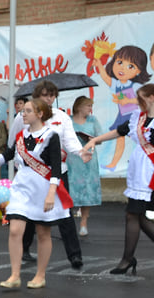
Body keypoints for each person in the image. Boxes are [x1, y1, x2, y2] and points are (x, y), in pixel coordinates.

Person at [0, 98, 68, 289]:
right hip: (22, 186)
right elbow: (9, 153)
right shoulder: (21, 135)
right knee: (14, 230)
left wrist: (51, 194)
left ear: (40, 114)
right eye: (23, 111)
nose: (23, 114)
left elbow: (56, 168)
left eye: (28, 111)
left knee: (43, 232)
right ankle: (15, 275)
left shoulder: (51, 136)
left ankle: (40, 275)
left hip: (43, 187)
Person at [82, 84, 154, 276]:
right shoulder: (139, 117)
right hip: (139, 171)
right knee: (137, 215)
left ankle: (127, 259)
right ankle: (127, 259)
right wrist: (95, 140)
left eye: (141, 98)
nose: (137, 101)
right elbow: (120, 131)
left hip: (152, 171)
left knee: (133, 214)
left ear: (151, 98)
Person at [8, 81, 88, 268]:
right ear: (37, 96)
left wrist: (80, 152)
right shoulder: (24, 115)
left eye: (52, 95)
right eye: (45, 95)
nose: (49, 98)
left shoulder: (61, 117)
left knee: (65, 214)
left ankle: (74, 255)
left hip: (56, 173)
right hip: (31, 173)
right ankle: (25, 248)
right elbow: (14, 141)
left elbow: (70, 141)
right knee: (27, 212)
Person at [93, 45, 150, 170]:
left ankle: (144, 159)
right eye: (119, 62)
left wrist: (128, 100)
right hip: (122, 115)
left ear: (138, 71)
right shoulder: (118, 84)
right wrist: (99, 65)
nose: (122, 68)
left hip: (133, 116)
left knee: (139, 138)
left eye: (130, 66)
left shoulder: (134, 86)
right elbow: (107, 79)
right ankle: (114, 164)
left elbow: (142, 100)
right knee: (119, 138)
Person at [67, 96, 103, 236]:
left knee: (87, 189)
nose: (90, 108)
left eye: (90, 105)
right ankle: (69, 222)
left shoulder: (93, 120)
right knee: (71, 188)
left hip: (89, 158)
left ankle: (83, 223)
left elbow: (100, 137)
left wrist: (92, 140)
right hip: (73, 158)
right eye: (87, 105)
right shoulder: (68, 120)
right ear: (78, 107)